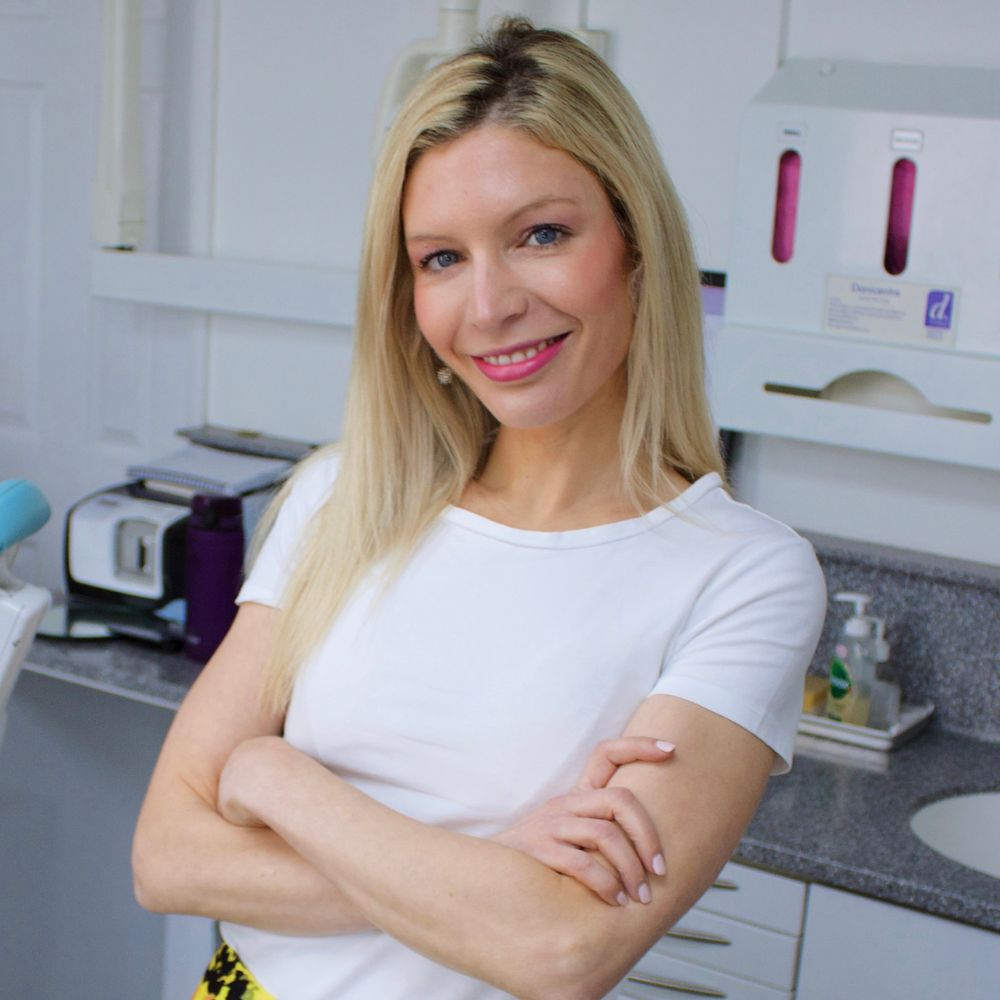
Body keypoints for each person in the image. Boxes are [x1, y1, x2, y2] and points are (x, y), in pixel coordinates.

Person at [133, 17, 826, 1000]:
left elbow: (558, 949)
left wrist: (271, 776)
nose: (489, 305)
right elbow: (166, 855)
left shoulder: (741, 571)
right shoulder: (345, 495)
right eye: (440, 259)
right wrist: (491, 860)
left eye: (540, 235)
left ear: (634, 242)